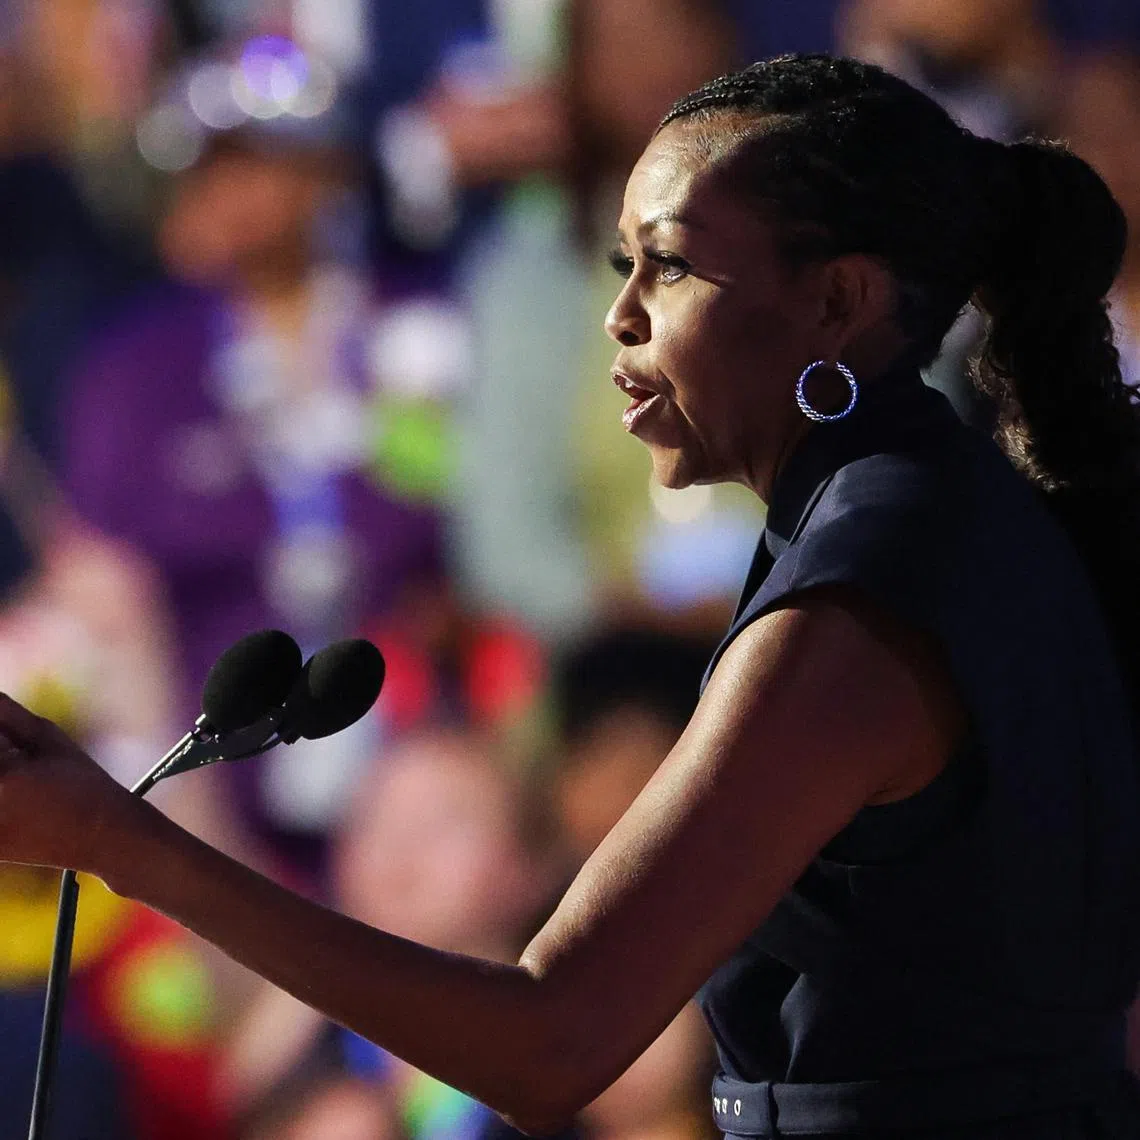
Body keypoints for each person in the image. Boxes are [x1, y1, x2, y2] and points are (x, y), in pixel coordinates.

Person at [2, 51, 1140, 1138]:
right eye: (621, 268)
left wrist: (122, 839)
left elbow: (549, 1048)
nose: (621, 315)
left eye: (675, 266)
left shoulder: (859, 609)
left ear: (837, 301)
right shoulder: (924, 513)